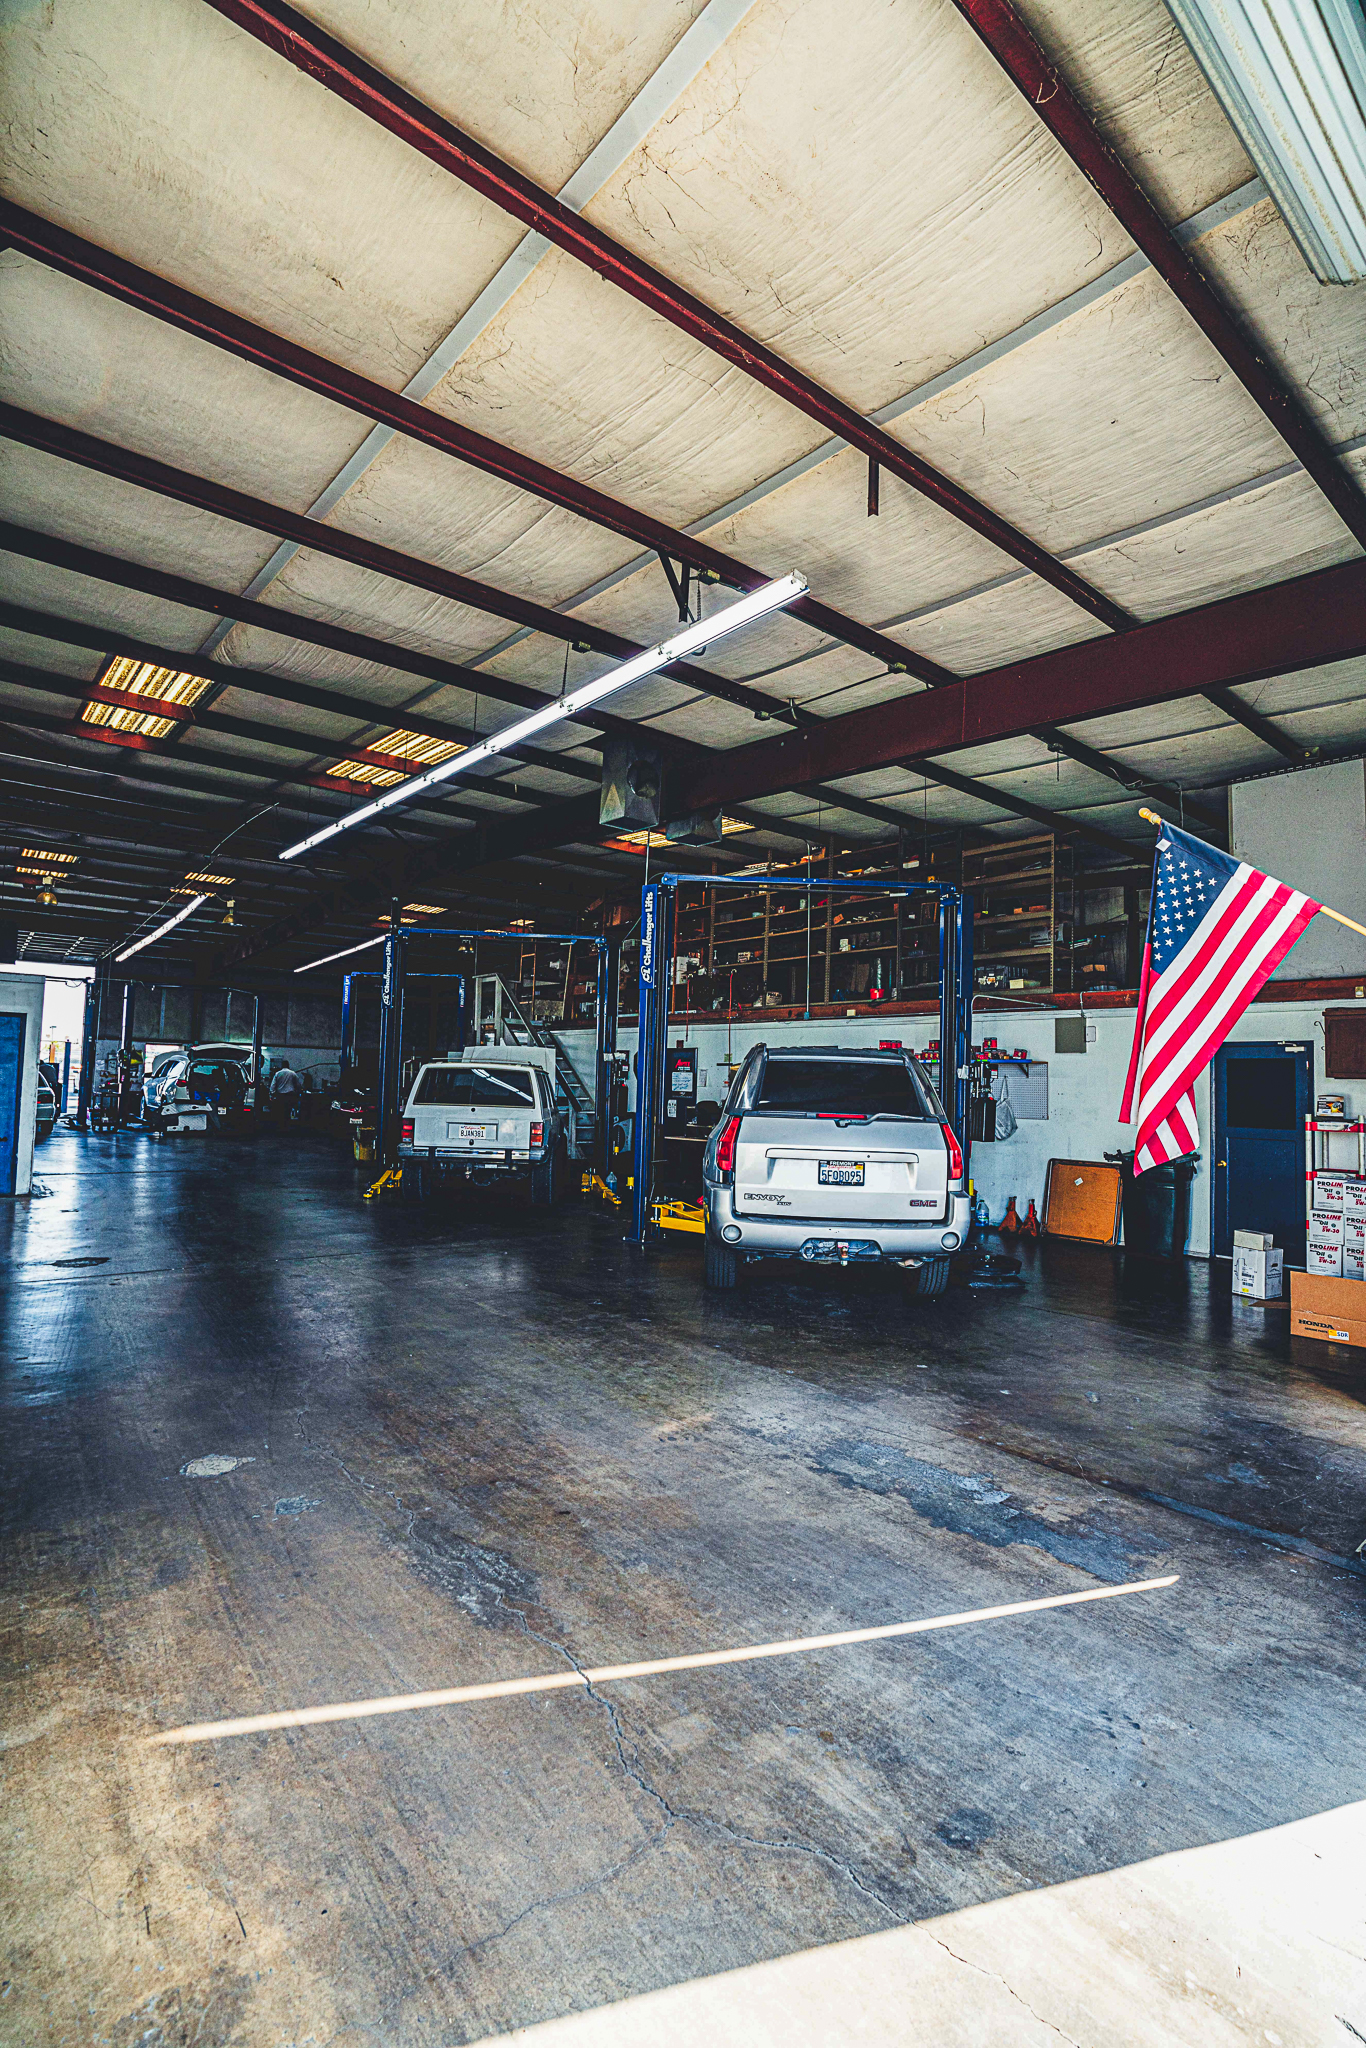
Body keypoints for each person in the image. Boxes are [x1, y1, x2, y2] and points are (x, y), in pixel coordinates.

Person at [269, 1060, 305, 1125]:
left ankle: (281, 1125)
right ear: (288, 1065)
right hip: (290, 1095)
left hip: (280, 1096)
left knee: (280, 1112)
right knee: (288, 1112)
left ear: (282, 1065)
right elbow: (298, 1085)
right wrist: (298, 1092)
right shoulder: (293, 1073)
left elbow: (273, 1086)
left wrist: (272, 1094)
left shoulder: (278, 1073)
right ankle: (287, 1125)